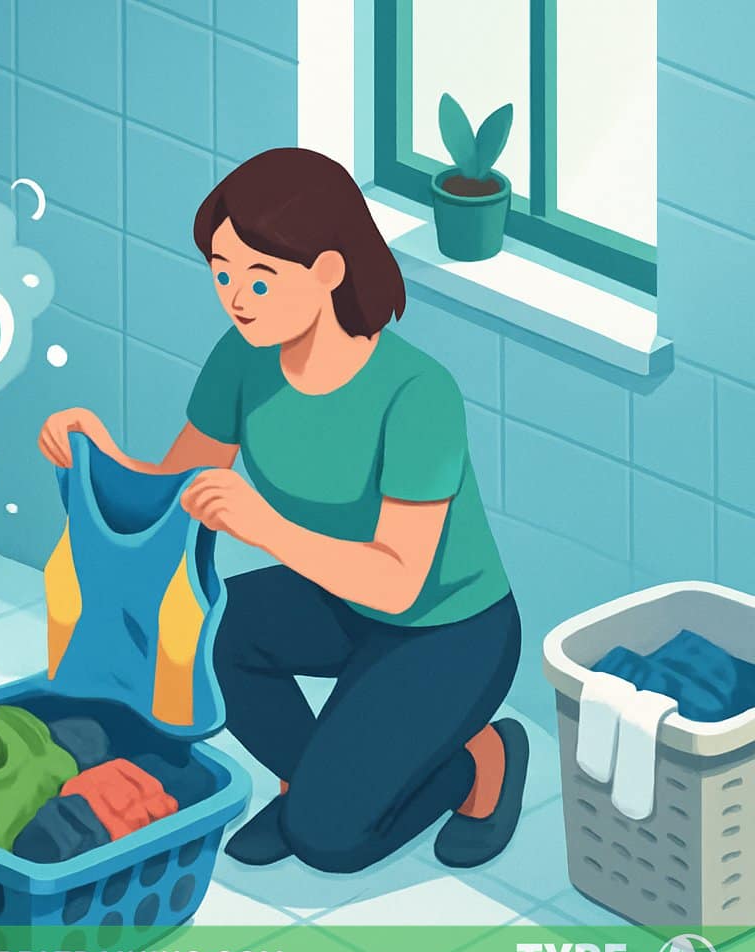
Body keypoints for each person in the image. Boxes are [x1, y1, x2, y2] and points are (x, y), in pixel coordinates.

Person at [38, 148, 525, 873]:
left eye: (260, 278)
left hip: (448, 629)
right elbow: (177, 488)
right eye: (223, 272)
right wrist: (96, 453)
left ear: (329, 270)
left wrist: (263, 525)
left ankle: (479, 758)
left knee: (331, 843)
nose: (237, 297)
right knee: (214, 629)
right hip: (340, 598)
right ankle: (311, 784)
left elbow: (397, 580)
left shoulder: (419, 395)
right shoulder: (242, 358)